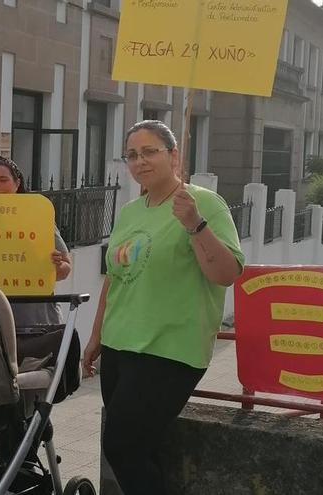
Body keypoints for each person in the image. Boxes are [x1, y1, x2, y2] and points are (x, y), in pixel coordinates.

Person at [81, 120, 244, 495]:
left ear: (174, 155)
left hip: (169, 349)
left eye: (150, 151)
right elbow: (115, 277)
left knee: (122, 447)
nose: (140, 161)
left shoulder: (203, 203)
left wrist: (195, 225)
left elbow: (227, 273)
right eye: (133, 155)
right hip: (120, 346)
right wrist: (96, 336)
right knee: (139, 449)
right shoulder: (130, 212)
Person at [0, 156, 72, 461]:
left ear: (17, 184)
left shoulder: (38, 218)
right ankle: (7, 465)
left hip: (36, 326)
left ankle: (26, 465)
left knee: (33, 400)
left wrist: (57, 264)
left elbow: (65, 268)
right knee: (1, 401)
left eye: (3, 180)